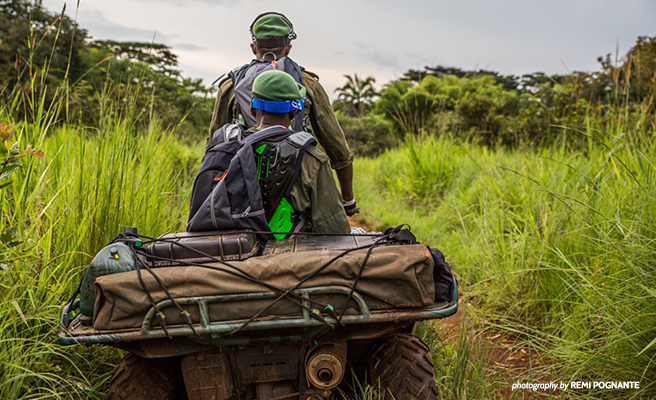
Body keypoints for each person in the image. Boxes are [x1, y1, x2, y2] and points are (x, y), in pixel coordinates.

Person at [206, 11, 359, 216]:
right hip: (296, 188)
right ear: (288, 48)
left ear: (254, 48)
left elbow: (214, 147)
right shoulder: (308, 85)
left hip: (241, 188)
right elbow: (338, 148)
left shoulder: (230, 86)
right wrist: (348, 200)